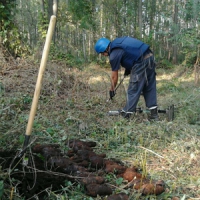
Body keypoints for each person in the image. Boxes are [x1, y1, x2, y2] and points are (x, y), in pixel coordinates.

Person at [94, 36, 158, 120]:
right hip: (150, 57)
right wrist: (128, 69)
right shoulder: (118, 42)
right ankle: (154, 115)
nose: (104, 55)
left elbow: (114, 77)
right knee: (148, 86)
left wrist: (112, 89)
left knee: (133, 89)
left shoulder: (113, 54)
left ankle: (127, 113)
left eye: (103, 54)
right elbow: (132, 52)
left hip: (141, 62)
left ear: (104, 50)